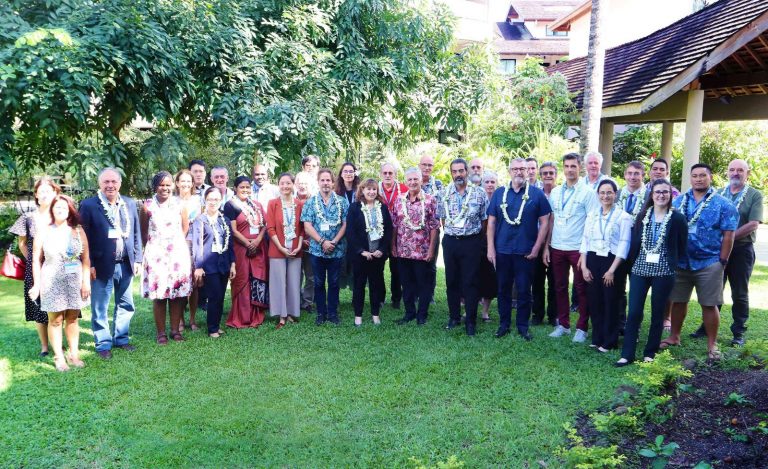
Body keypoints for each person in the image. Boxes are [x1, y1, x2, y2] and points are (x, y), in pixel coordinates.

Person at [664, 164, 738, 360]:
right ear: (690, 178)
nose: (698, 179)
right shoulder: (678, 202)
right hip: (681, 262)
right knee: (678, 301)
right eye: (695, 176)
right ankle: (674, 336)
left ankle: (712, 344)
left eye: (702, 175)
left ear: (710, 178)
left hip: (709, 262)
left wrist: (722, 261)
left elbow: (728, 235)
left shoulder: (723, 205)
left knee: (709, 304)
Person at [616, 179, 687, 366]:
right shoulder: (642, 216)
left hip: (663, 271)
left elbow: (681, 244)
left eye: (665, 192)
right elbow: (635, 243)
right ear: (652, 195)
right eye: (657, 192)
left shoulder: (677, 218)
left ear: (670, 195)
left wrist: (672, 264)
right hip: (640, 268)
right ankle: (627, 354)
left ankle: (650, 353)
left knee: (658, 312)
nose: (661, 195)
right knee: (634, 312)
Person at [691, 159, 762, 346]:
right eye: (732, 170)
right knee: (714, 289)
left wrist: (728, 237)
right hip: (717, 251)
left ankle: (738, 331)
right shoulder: (718, 194)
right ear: (727, 172)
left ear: (747, 173)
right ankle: (707, 327)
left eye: (740, 170)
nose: (735, 173)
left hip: (740, 250)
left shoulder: (754, 195)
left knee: (739, 292)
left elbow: (754, 224)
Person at [79, 168, 143, 360]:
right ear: (99, 184)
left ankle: (121, 339)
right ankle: (103, 343)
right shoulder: (89, 206)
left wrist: (138, 258)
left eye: (114, 182)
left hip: (125, 263)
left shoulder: (129, 203)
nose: (110, 185)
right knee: (100, 306)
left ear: (120, 184)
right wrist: (87, 264)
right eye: (106, 182)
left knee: (125, 303)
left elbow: (136, 233)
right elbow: (83, 238)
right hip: (100, 264)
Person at [487, 159, 551, 340]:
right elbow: (491, 222)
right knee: (503, 289)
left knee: (524, 290)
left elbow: (545, 222)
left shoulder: (536, 194)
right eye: (515, 169)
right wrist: (491, 249)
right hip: (502, 251)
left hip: (526, 252)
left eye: (522, 169)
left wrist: (537, 247)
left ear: (528, 171)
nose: (519, 172)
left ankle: (523, 326)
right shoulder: (499, 194)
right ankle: (504, 324)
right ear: (509, 171)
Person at [29, 195, 90, 372]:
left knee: (72, 319)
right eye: (57, 207)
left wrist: (86, 282)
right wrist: (36, 284)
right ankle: (58, 357)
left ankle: (74, 354)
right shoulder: (44, 230)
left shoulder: (77, 230)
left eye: (64, 207)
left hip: (75, 281)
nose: (60, 210)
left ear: (70, 209)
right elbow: (35, 260)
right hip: (51, 280)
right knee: (55, 320)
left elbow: (86, 259)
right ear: (52, 210)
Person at [547, 153, 598, 342]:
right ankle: (563, 325)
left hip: (578, 248)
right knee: (559, 286)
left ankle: (582, 328)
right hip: (557, 246)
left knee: (580, 288)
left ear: (580, 168)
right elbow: (551, 220)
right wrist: (547, 247)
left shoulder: (588, 192)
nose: (570, 170)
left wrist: (585, 252)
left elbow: (591, 223)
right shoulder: (555, 192)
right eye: (567, 166)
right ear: (563, 168)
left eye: (573, 166)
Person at [9, 176, 61, 357]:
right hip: (36, 270)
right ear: (36, 195)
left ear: (55, 193)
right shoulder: (28, 217)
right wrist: (34, 261)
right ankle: (45, 347)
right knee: (39, 308)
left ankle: (59, 344)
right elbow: (22, 243)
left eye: (49, 190)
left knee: (59, 305)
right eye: (41, 191)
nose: (45, 194)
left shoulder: (62, 213)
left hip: (59, 268)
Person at [579, 179, 633, 351]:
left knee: (611, 301)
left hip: (613, 262)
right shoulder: (592, 215)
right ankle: (597, 337)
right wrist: (584, 266)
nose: (605, 196)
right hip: (593, 260)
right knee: (594, 300)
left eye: (609, 192)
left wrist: (611, 270)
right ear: (598, 195)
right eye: (602, 192)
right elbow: (585, 241)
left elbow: (624, 245)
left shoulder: (623, 217)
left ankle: (610, 341)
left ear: (615, 194)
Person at [140, 171, 192, 344]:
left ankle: (175, 331)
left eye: (168, 185)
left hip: (177, 254)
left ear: (173, 186)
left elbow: (185, 228)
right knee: (160, 294)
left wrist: (174, 243)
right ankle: (161, 332)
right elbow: (143, 232)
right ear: (155, 186)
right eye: (161, 185)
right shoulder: (147, 206)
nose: (165, 188)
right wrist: (156, 246)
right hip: (156, 255)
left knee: (177, 294)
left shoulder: (180, 205)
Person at [438, 158, 488, 336]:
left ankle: (471, 321)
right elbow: (443, 220)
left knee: (470, 282)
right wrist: (453, 235)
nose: (458, 174)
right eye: (454, 171)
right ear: (451, 173)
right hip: (451, 241)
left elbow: (484, 221)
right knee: (452, 280)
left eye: (461, 170)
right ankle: (454, 317)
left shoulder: (479, 193)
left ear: (467, 171)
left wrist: (474, 240)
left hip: (472, 242)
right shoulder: (444, 193)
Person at [301, 168, 349, 325]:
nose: (325, 183)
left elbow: (345, 224)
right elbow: (307, 226)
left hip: (336, 250)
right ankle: (321, 313)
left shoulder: (342, 202)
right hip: (317, 251)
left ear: (333, 182)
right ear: (318, 182)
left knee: (334, 283)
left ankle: (333, 313)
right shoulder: (310, 202)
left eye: (328, 180)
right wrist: (322, 241)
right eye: (322, 180)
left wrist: (333, 242)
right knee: (319, 283)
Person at [391, 168, 440, 325]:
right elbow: (395, 225)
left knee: (423, 284)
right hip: (403, 250)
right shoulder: (399, 200)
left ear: (421, 180)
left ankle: (422, 314)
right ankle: (409, 313)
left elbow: (434, 227)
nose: (412, 182)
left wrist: (431, 250)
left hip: (422, 251)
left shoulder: (430, 200)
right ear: (405, 181)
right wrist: (393, 246)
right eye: (409, 179)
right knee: (406, 283)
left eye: (415, 179)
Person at [189, 187, 236, 338]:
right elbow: (197, 245)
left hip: (223, 263)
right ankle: (212, 329)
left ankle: (216, 324)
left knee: (221, 296)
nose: (213, 202)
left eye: (216, 199)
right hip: (208, 265)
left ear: (220, 200)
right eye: (210, 199)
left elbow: (230, 244)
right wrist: (198, 266)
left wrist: (233, 263)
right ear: (205, 200)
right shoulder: (200, 221)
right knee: (214, 296)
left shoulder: (225, 220)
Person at [346, 178, 393, 326]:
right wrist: (361, 251)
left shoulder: (382, 208)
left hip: (378, 255)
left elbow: (388, 231)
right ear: (362, 190)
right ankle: (358, 316)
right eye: (368, 189)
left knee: (375, 285)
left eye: (374, 189)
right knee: (359, 285)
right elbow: (350, 232)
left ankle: (375, 315)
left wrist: (382, 250)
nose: (371, 192)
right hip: (361, 255)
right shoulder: (354, 208)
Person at [224, 176, 269, 328]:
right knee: (242, 280)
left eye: (247, 187)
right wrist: (247, 243)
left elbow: (264, 225)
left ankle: (256, 314)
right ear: (235, 188)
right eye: (242, 187)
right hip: (240, 249)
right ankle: (242, 316)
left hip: (259, 248)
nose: (245, 190)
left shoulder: (256, 205)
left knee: (257, 278)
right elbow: (233, 230)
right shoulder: (230, 205)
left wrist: (257, 242)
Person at [266, 173, 304, 329]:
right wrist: (280, 247)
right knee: (278, 282)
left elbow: (302, 228)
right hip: (277, 249)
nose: (285, 186)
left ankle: (290, 313)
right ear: (278, 185)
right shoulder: (273, 203)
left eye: (288, 183)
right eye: (282, 183)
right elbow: (270, 228)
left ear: (293, 185)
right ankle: (281, 315)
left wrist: (300, 246)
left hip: (295, 249)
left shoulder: (299, 204)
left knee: (293, 282)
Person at [175, 169, 202, 332]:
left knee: (195, 283)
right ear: (177, 183)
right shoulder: (171, 201)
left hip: (194, 243)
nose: (185, 184)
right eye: (182, 181)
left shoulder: (198, 201)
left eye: (188, 181)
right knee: (179, 281)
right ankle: (179, 320)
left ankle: (192, 320)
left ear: (192, 184)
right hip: (176, 245)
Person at [531, 162, 557, 326]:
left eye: (551, 173)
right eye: (545, 173)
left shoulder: (561, 193)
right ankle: (537, 314)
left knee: (555, 281)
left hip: (556, 243)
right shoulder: (534, 194)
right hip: (536, 242)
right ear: (540, 176)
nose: (548, 175)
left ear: (556, 175)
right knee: (537, 280)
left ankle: (553, 315)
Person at [379, 162, 408, 309]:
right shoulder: (375, 189)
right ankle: (380, 297)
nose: (388, 176)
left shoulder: (404, 189)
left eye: (391, 173)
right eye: (385, 173)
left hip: (399, 235)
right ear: (380, 174)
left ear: (395, 175)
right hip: (380, 235)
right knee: (378, 268)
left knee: (396, 268)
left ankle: (396, 298)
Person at [419, 154, 442, 305]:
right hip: (413, 231)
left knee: (431, 263)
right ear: (419, 165)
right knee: (414, 263)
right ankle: (414, 293)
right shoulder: (413, 181)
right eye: (424, 164)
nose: (427, 168)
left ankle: (430, 294)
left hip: (433, 229)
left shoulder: (438, 184)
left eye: (430, 165)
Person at [335, 162, 360, 290]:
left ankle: (355, 297)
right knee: (341, 264)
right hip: (341, 232)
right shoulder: (336, 192)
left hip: (357, 232)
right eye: (346, 171)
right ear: (341, 174)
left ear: (355, 173)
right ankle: (336, 298)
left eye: (351, 171)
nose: (348, 174)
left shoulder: (360, 190)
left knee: (356, 264)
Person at [479, 171, 499, 322]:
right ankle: (469, 309)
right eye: (487, 182)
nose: (490, 184)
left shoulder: (500, 199)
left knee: (491, 278)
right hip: (476, 243)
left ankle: (485, 311)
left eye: (493, 182)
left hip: (495, 244)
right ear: (482, 183)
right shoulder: (476, 198)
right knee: (473, 276)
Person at [295, 171, 315, 312]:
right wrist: (299, 241)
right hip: (294, 244)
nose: (302, 186)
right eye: (300, 183)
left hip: (312, 244)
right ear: (295, 184)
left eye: (305, 183)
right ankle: (295, 300)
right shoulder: (289, 200)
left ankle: (307, 302)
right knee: (295, 275)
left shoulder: (315, 201)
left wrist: (311, 239)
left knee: (311, 276)